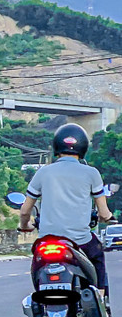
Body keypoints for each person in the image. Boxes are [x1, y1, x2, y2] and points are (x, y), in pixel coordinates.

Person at [19, 123, 113, 298]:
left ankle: (39, 295)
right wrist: (107, 217)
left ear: (56, 147)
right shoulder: (91, 173)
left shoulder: (43, 173)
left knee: (37, 264)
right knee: (98, 256)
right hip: (80, 241)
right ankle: (100, 299)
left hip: (47, 240)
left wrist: (25, 225)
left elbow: (25, 211)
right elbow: (103, 212)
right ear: (83, 147)